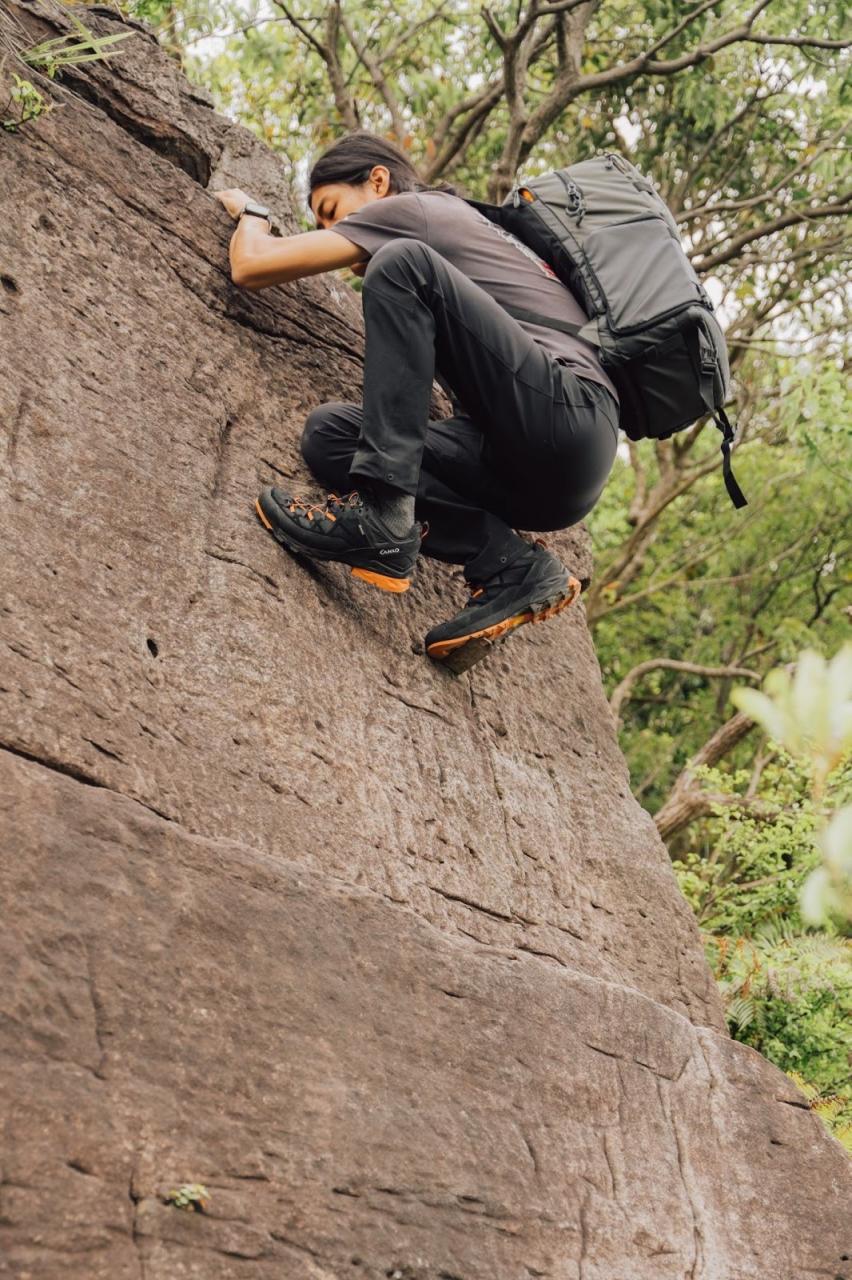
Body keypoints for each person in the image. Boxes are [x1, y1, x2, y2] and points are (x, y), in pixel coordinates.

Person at [215, 130, 620, 671]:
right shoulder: (463, 226)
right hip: (539, 477)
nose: (331, 232)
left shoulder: (419, 211)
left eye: (331, 211)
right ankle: (510, 565)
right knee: (332, 437)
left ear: (377, 181)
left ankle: (383, 519)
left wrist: (253, 214)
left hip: (570, 415)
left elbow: (252, 267)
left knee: (401, 264)